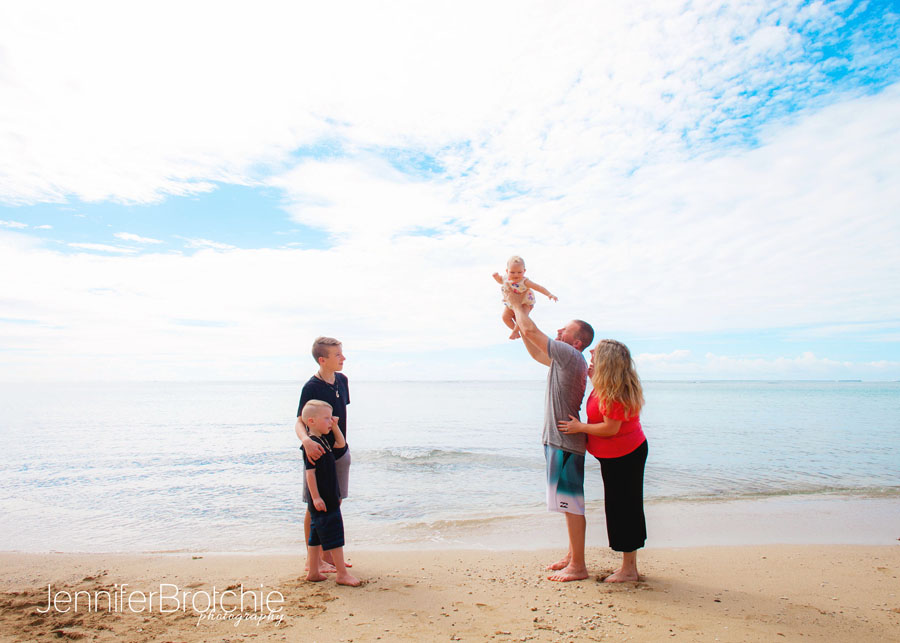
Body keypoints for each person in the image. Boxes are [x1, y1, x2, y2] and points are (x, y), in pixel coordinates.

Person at [507, 290, 594, 582]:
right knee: (567, 504)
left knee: (572, 505)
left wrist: (519, 307)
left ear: (576, 342)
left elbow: (532, 331)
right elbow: (534, 349)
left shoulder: (571, 356)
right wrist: (521, 322)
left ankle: (578, 567)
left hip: (565, 442)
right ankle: (572, 556)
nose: (558, 330)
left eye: (564, 330)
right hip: (558, 440)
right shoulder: (565, 360)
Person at [558, 339, 647, 582]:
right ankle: (628, 567)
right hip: (615, 455)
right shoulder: (606, 382)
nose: (591, 352)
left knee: (624, 508)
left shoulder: (615, 390)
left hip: (626, 454)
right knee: (618, 507)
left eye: (595, 351)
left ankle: (629, 570)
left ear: (607, 359)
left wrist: (579, 427)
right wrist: (594, 377)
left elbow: (610, 428)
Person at [294, 336, 351, 574]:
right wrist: (306, 441)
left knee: (334, 502)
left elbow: (339, 416)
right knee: (314, 507)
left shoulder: (342, 381)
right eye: (337, 355)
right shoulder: (311, 387)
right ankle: (313, 560)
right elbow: (299, 421)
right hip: (317, 452)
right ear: (322, 359)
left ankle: (328, 557)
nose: (343, 358)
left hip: (338, 451)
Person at [299, 400, 360, 586]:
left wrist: (334, 426)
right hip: (323, 498)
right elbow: (310, 473)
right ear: (311, 421)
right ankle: (342, 574)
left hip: (328, 495)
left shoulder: (324, 439)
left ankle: (314, 572)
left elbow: (341, 443)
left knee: (316, 535)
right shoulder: (311, 446)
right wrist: (316, 497)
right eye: (326, 418)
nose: (330, 421)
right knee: (335, 535)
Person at [492, 255, 558, 339]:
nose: (516, 275)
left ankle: (515, 331)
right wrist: (496, 277)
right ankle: (517, 331)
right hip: (510, 302)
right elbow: (500, 281)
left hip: (525, 302)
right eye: (512, 272)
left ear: (524, 271)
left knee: (522, 318)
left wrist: (549, 294)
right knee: (505, 317)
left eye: (519, 272)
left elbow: (538, 287)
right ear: (507, 271)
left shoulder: (525, 281)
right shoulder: (506, 278)